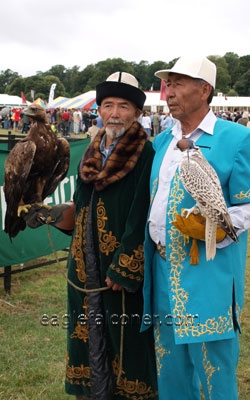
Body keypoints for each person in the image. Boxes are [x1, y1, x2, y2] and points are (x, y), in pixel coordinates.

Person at [24, 72, 158, 400]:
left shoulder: (147, 154)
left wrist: (125, 267)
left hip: (120, 271)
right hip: (84, 268)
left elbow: (144, 214)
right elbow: (81, 207)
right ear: (98, 109)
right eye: (107, 105)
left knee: (126, 343)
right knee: (87, 342)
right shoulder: (92, 151)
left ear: (138, 113)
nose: (114, 113)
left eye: (123, 106)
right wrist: (48, 214)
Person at [141, 56, 250, 399]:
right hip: (161, 271)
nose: (168, 92)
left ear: (204, 90)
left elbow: (247, 203)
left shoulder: (237, 139)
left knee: (215, 373)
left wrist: (219, 224)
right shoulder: (161, 142)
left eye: (177, 84)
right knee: (171, 372)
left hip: (210, 274)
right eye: (167, 84)